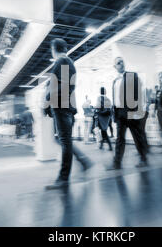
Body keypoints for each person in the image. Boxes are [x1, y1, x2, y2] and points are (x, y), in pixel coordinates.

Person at [45, 38, 93, 190]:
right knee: (63, 140)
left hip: (62, 107)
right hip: (62, 107)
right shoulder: (64, 62)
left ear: (54, 49)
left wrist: (48, 98)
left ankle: (63, 178)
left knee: (64, 141)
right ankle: (84, 161)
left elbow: (65, 87)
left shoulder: (63, 61)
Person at [107, 57, 149, 170]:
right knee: (119, 138)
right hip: (119, 113)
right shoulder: (115, 81)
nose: (121, 64)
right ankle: (117, 163)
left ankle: (143, 158)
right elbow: (115, 98)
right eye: (118, 63)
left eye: (122, 62)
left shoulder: (132, 75)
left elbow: (137, 95)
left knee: (137, 137)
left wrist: (135, 112)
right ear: (114, 67)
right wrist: (114, 113)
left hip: (131, 112)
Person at [94, 87, 113, 151]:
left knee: (103, 131)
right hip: (107, 118)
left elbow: (97, 107)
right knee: (103, 131)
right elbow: (110, 108)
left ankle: (110, 146)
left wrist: (96, 111)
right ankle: (101, 145)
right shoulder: (108, 99)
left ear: (100, 91)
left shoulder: (99, 98)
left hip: (101, 117)